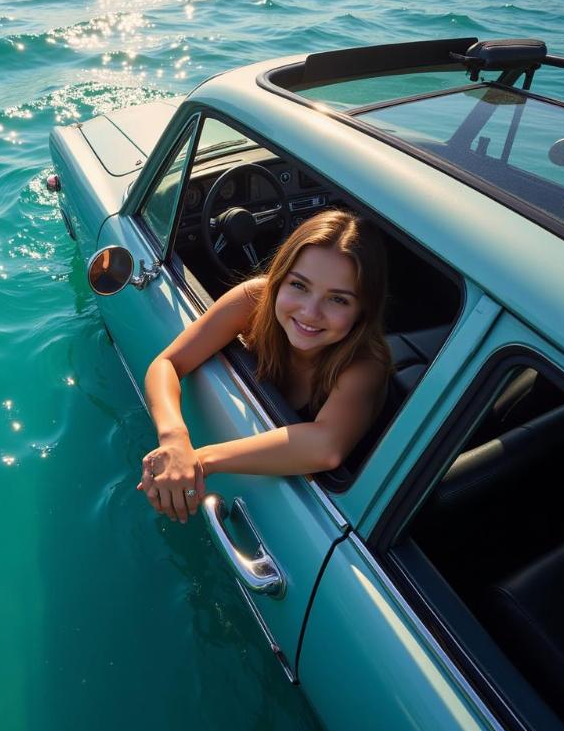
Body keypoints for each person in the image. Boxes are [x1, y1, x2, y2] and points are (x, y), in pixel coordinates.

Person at [138, 208, 391, 523]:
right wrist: (174, 439)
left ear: (363, 311)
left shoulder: (367, 362)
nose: (310, 313)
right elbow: (168, 363)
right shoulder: (255, 299)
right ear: (279, 279)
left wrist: (197, 461)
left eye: (338, 299)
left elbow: (325, 447)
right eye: (299, 285)